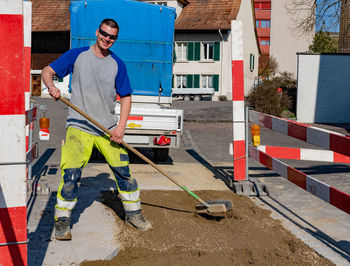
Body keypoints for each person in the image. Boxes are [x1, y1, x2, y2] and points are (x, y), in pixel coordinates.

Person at [41, 18, 152, 241]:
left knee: (124, 173)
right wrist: (51, 86)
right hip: (79, 125)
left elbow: (127, 97)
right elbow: (47, 70)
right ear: (97, 32)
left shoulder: (117, 64)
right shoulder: (77, 55)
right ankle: (62, 220)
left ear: (115, 39)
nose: (107, 39)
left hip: (107, 129)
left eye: (112, 37)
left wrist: (121, 127)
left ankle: (133, 214)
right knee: (71, 175)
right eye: (104, 33)